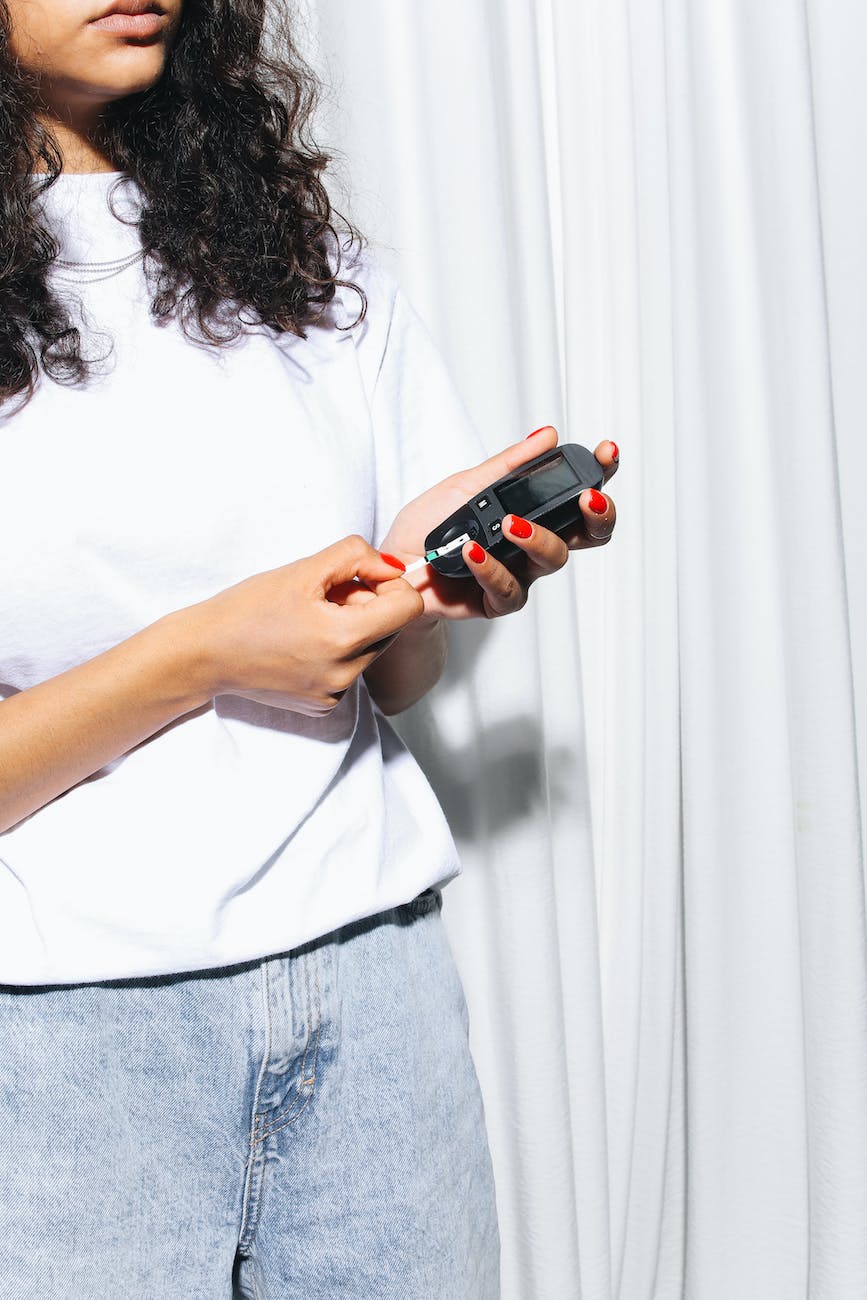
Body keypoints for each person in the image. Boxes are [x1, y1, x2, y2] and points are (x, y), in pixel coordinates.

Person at [0, 1, 618, 1296]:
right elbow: (237, 649)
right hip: (65, 1042)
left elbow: (393, 683)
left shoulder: (297, 251)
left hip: (372, 982)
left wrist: (420, 588)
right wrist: (207, 654)